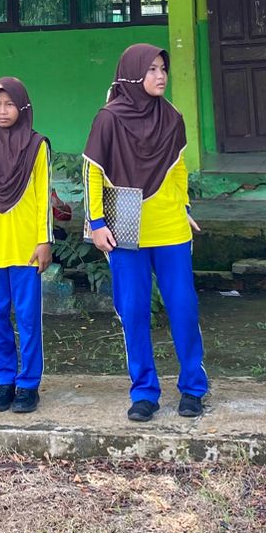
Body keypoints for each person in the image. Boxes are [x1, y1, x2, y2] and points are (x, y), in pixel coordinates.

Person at [84, 43, 208, 422]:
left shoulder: (172, 117)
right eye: (151, 69)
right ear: (132, 74)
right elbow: (92, 171)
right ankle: (144, 392)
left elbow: (179, 168)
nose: (160, 76)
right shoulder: (108, 119)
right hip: (124, 228)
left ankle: (193, 387)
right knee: (133, 310)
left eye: (162, 69)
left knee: (183, 307)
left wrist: (184, 207)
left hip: (170, 227)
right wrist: (97, 223)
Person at [0, 77, 52, 415]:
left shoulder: (37, 146)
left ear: (23, 106)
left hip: (26, 245)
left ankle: (28, 384)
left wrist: (44, 240)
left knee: (28, 317)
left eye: (9, 104)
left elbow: (44, 197)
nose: (2, 111)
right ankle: (3, 380)